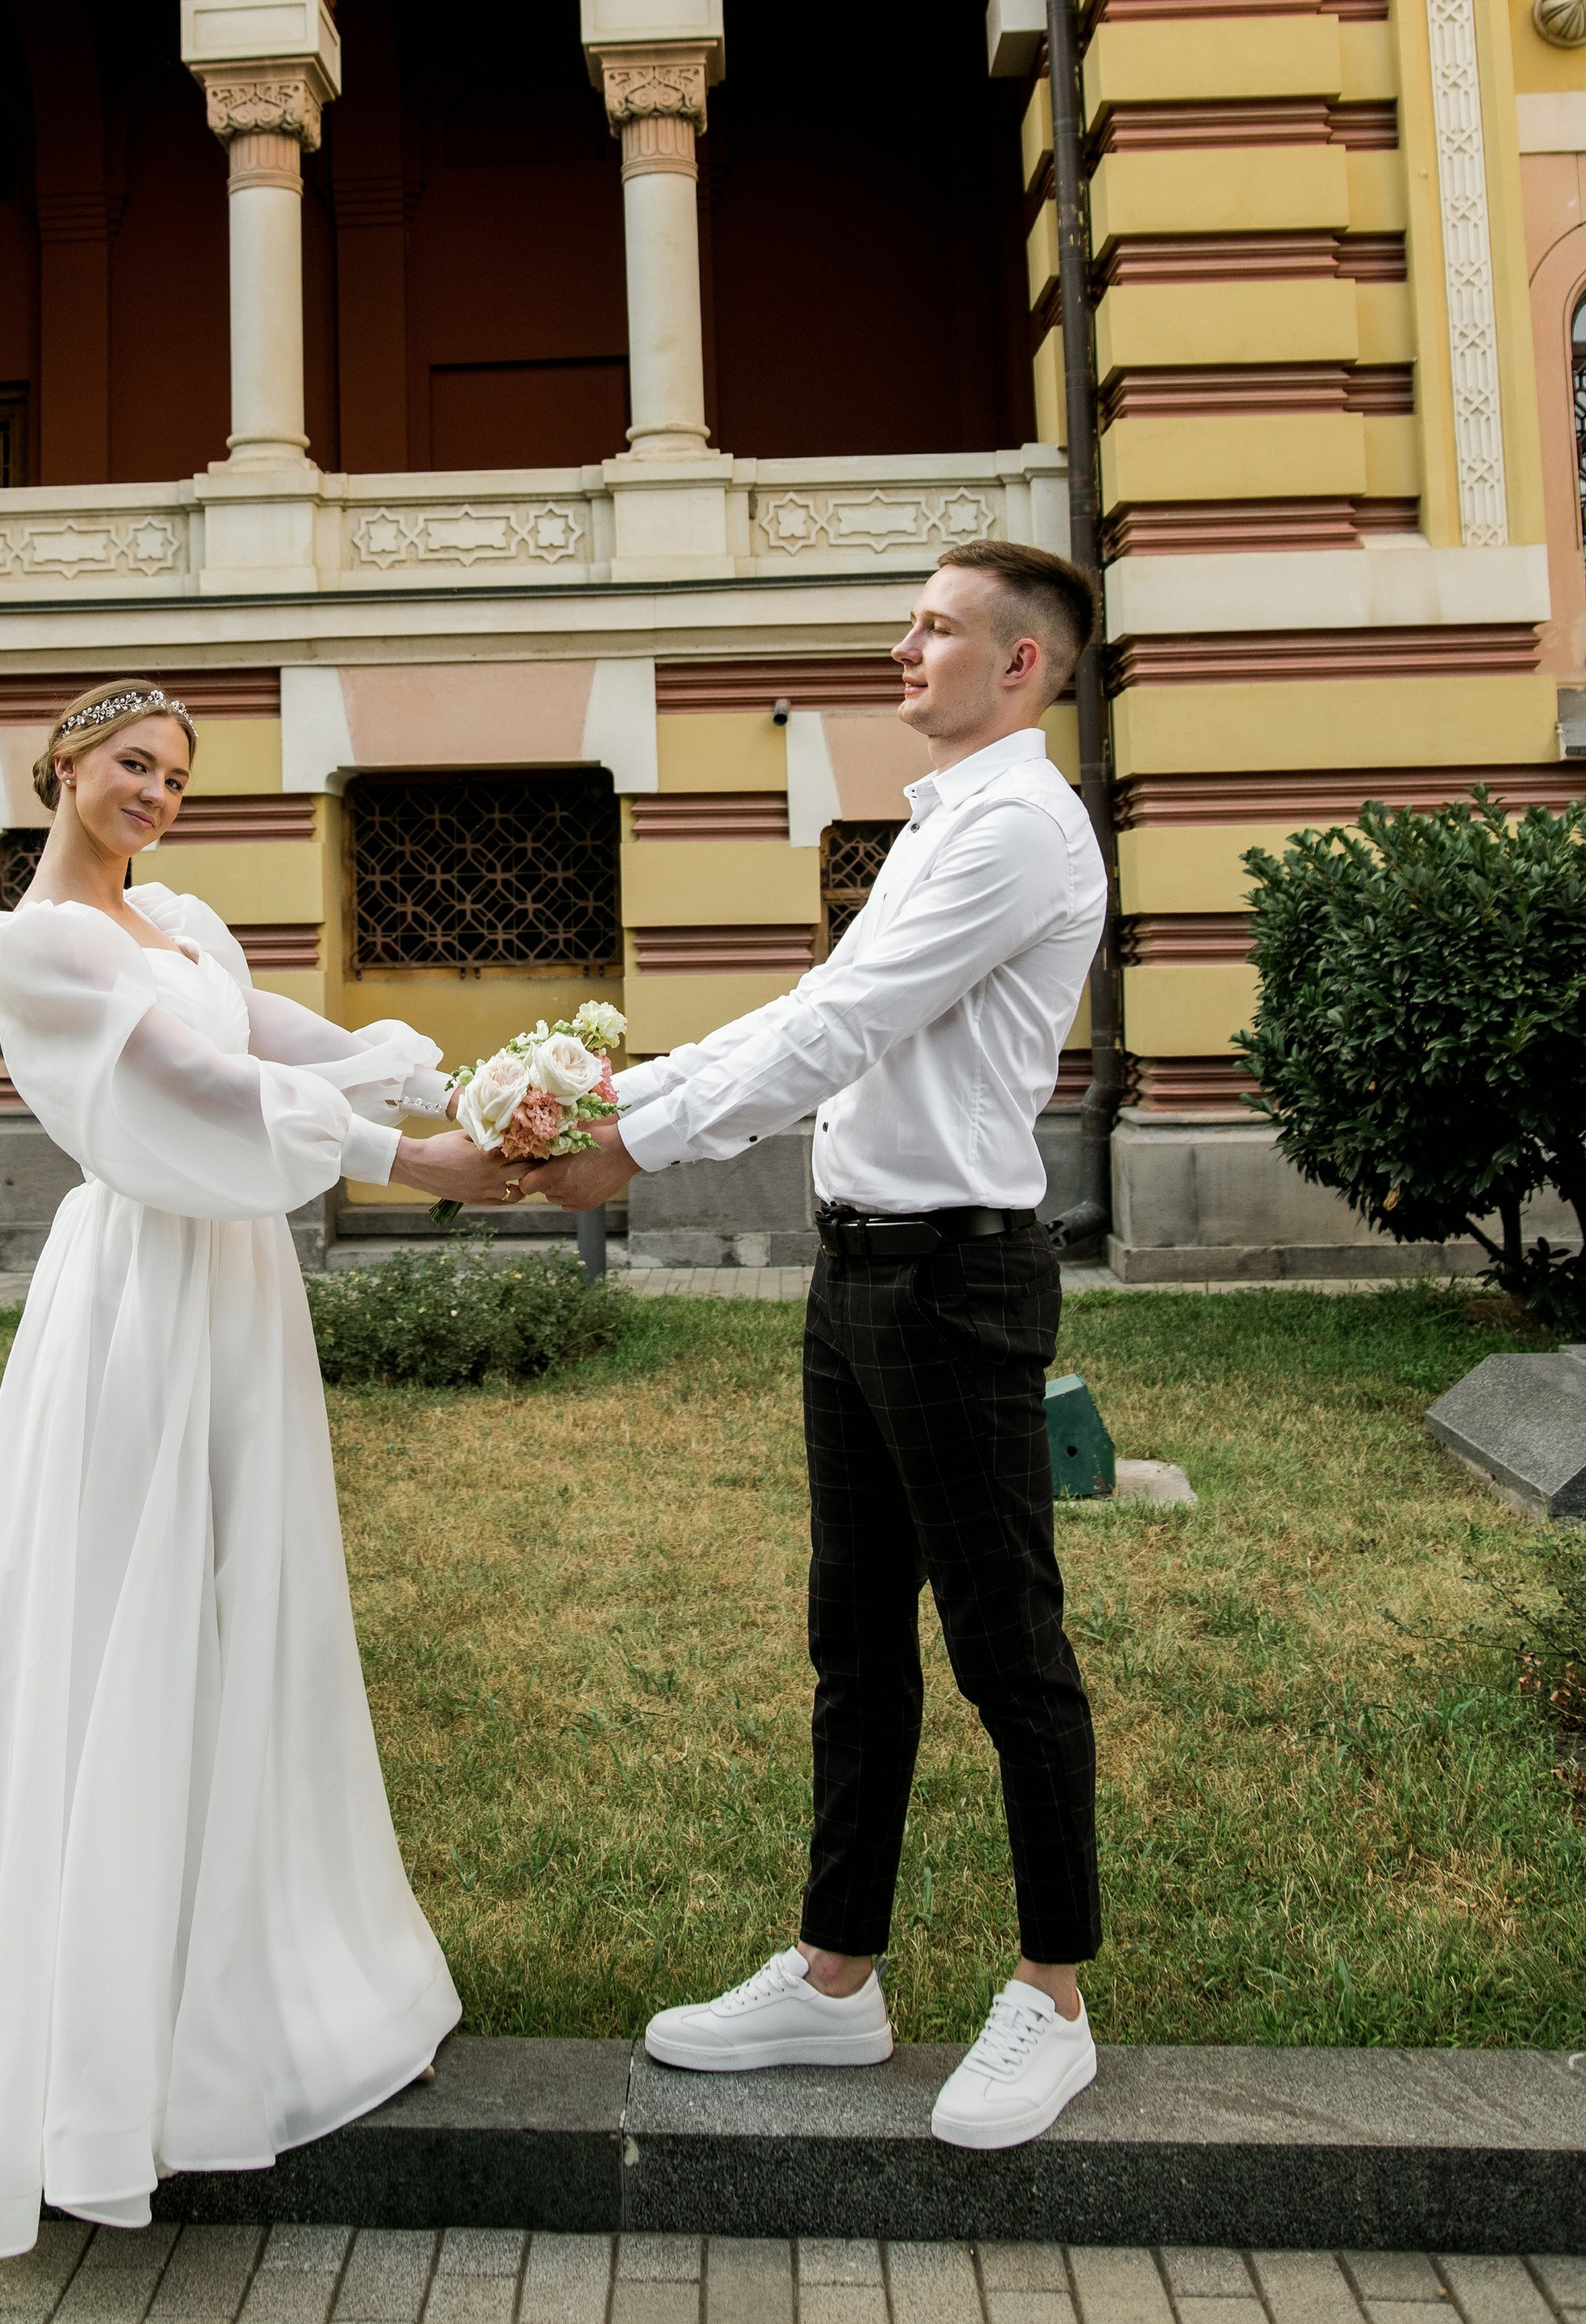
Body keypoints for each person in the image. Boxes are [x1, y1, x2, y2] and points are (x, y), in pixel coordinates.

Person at [0, 677, 514, 2260]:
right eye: (133, 764)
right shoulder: (36, 948)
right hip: (139, 1297)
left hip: (235, 1295)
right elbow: (186, 1095)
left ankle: (247, 1970)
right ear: (61, 764)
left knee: (234, 1608)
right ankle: (100, 2033)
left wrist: (448, 1086)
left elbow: (275, 1039)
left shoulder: (177, 919)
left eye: (177, 777)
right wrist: (404, 1162)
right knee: (127, 1616)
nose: (155, 793)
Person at [532, 543, 1110, 2151]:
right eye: (908, 623)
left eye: (931, 629)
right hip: (859, 1276)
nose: (900, 647)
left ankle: (1050, 1997)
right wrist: (606, 1102)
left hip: (952, 1284)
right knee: (853, 1643)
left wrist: (627, 1150)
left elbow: (830, 1035)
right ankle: (834, 1978)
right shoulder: (944, 828)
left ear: (1020, 667)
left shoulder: (1014, 831)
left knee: (1006, 1653)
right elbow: (816, 1006)